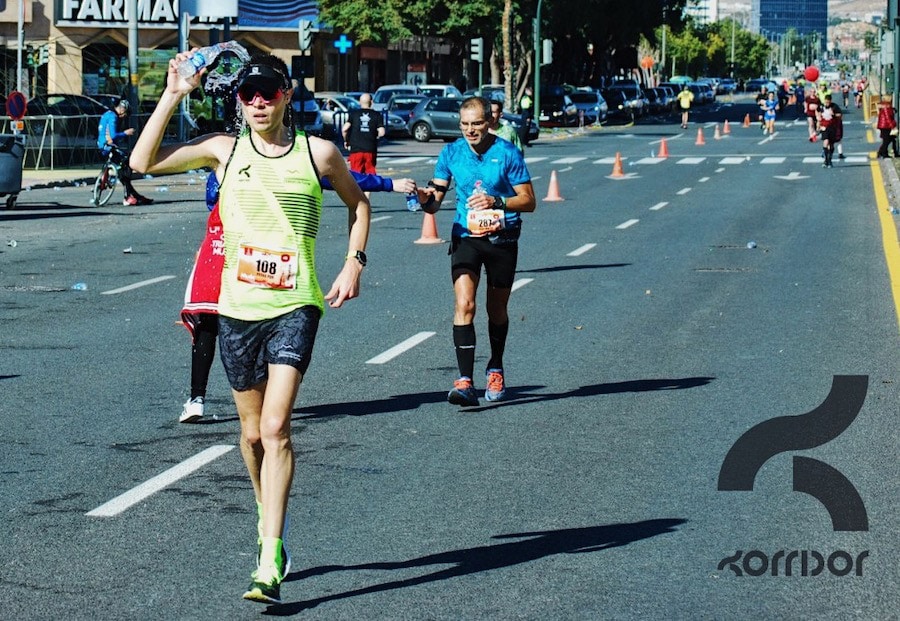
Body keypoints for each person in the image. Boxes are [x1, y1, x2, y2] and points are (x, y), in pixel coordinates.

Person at [130, 52, 370, 605]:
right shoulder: (224, 149)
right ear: (238, 101)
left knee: (277, 427)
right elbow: (142, 163)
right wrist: (174, 94)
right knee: (251, 433)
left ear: (287, 96)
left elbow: (359, 207)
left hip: (295, 303)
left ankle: (268, 555)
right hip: (236, 308)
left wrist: (354, 261)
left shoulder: (320, 153)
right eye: (248, 95)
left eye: (268, 93)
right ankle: (267, 510)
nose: (258, 102)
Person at [179, 169, 417, 424]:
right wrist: (390, 184)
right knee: (216, 321)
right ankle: (206, 399)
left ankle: (200, 398)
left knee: (234, 321)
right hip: (243, 250)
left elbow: (341, 180)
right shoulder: (235, 155)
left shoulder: (286, 155)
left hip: (236, 251)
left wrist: (389, 185)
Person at [416, 97, 535, 406]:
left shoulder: (507, 152)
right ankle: (465, 381)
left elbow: (529, 200)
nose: (470, 130)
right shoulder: (451, 152)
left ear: (489, 123)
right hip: (466, 236)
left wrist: (497, 202)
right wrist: (425, 198)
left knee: (496, 310)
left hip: (501, 238)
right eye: (465, 124)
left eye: (477, 124)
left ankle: (495, 366)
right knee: (465, 304)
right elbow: (436, 198)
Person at [96, 99, 153, 206]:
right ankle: (128, 196)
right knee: (126, 165)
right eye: (125, 114)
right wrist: (125, 133)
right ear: (122, 110)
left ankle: (133, 194)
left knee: (123, 167)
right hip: (108, 147)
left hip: (101, 145)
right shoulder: (113, 117)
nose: (124, 117)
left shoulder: (107, 114)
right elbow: (113, 136)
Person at [341, 93, 385, 197]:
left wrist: (346, 141)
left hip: (356, 149)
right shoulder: (377, 115)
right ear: (372, 102)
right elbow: (382, 132)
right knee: (369, 175)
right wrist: (374, 136)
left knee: (356, 175)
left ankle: (357, 199)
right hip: (370, 149)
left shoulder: (354, 114)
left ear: (360, 102)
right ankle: (366, 199)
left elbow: (344, 129)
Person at [817, 93, 842, 168]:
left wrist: (833, 114)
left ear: (830, 101)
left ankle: (829, 159)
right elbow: (817, 111)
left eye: (828, 102)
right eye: (825, 102)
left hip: (832, 127)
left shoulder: (834, 106)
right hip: (824, 127)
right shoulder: (821, 106)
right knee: (826, 141)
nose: (827, 103)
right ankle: (825, 160)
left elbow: (840, 115)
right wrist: (818, 122)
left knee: (831, 144)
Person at [876, 94, 898, 159]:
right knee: (887, 140)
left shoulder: (885, 106)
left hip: (884, 125)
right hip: (885, 126)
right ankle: (883, 153)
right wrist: (892, 126)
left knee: (889, 139)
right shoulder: (886, 106)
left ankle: (882, 152)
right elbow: (887, 117)